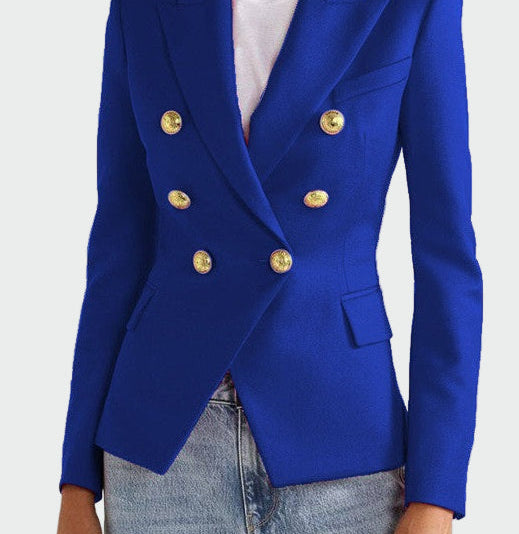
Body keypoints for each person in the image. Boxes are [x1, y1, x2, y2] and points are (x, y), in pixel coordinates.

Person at [57, 0, 482, 533]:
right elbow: (119, 247)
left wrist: (436, 494)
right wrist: (77, 481)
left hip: (341, 434)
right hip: (160, 445)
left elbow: (446, 259)